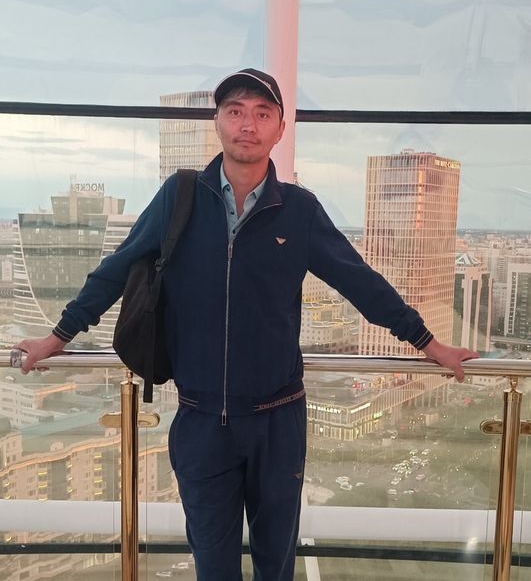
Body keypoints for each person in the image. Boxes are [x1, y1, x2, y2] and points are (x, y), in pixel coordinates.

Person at [13, 68, 479, 581]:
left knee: (275, 567)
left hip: (277, 420)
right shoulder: (180, 197)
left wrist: (427, 342)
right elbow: (117, 270)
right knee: (213, 568)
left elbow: (360, 283)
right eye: (235, 111)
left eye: (262, 113)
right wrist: (58, 336)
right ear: (218, 122)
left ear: (280, 128)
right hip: (200, 419)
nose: (247, 125)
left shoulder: (297, 210)